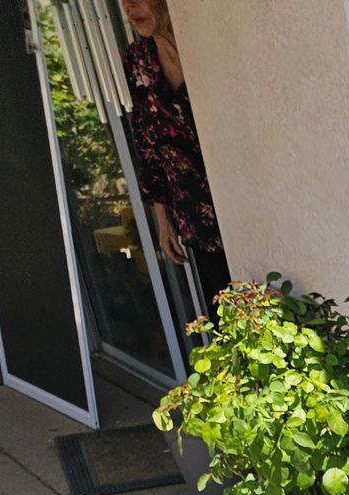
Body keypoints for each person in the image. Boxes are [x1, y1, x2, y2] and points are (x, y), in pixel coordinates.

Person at [119, 0, 228, 314]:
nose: (129, 6)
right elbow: (149, 146)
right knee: (230, 319)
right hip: (197, 218)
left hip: (247, 201)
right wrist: (164, 220)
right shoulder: (138, 60)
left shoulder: (210, 44)